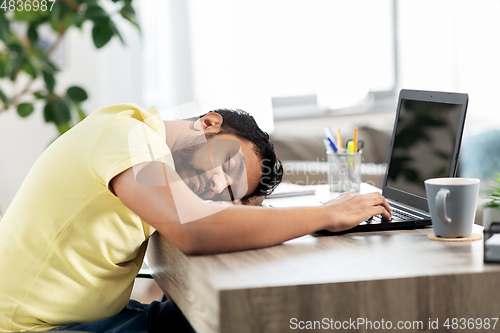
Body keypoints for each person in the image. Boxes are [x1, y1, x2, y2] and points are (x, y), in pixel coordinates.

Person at [0, 103, 391, 333]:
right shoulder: (128, 138)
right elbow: (196, 228)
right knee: (243, 321)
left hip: (72, 321)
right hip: (36, 330)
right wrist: (325, 213)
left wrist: (238, 207)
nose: (217, 185)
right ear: (209, 122)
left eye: (229, 190)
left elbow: (204, 214)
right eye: (230, 165)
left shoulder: (149, 156)